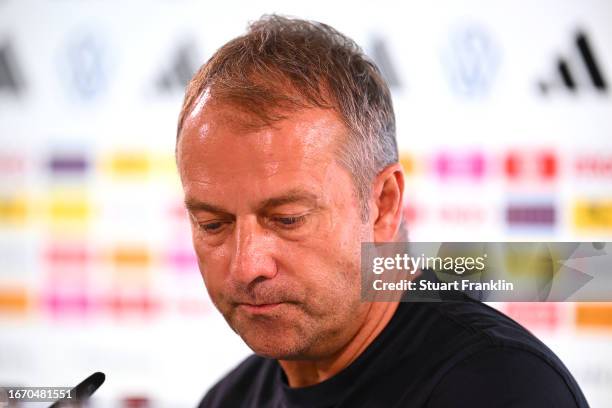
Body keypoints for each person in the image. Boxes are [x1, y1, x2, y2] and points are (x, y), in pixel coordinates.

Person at [175, 15, 589, 408]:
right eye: (213, 224)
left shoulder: (501, 388)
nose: (247, 266)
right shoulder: (228, 399)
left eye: (287, 219)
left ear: (383, 204)